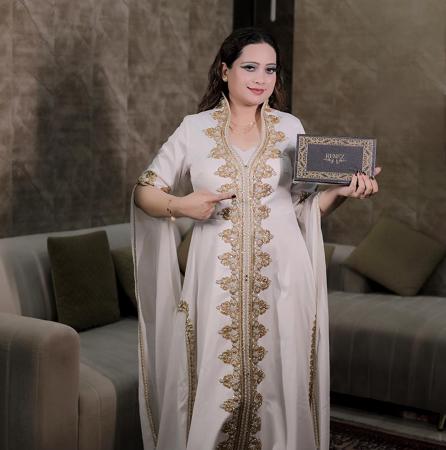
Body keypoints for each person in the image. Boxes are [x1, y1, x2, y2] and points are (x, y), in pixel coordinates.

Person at [131, 27, 380, 450]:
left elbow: (304, 210)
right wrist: (182, 205)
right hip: (215, 281)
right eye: (250, 67)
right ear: (224, 70)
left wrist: (340, 192)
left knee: (281, 382)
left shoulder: (290, 128)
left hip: (284, 277)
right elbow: (144, 191)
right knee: (213, 383)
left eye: (270, 69)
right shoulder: (194, 130)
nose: (261, 79)